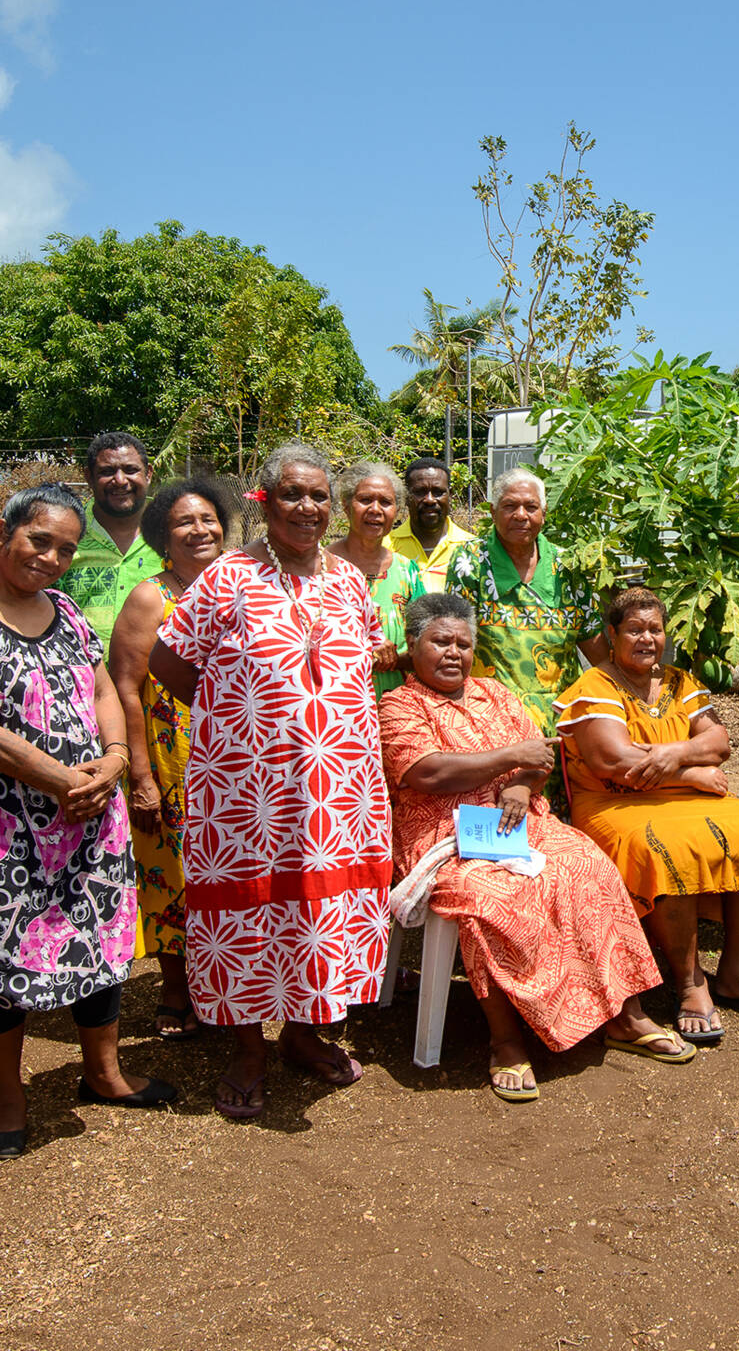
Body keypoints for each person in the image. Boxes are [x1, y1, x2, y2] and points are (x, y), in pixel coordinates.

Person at [0, 484, 174, 1158]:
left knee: (98, 940)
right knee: (2, 952)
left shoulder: (65, 611)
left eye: (64, 547)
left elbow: (103, 691)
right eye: (38, 540)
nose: (51, 558)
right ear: (3, 532)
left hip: (88, 812)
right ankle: (8, 1096)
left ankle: (104, 1072)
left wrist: (114, 759)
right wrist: (65, 781)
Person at [151, 445, 394, 1118]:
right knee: (249, 912)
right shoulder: (227, 577)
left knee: (319, 914)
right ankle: (248, 1049)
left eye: (319, 496)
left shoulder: (349, 581)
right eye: (293, 494)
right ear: (264, 500)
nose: (309, 508)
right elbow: (170, 664)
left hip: (336, 790)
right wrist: (244, 721)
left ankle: (305, 1033)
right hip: (244, 790)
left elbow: (360, 668)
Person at [377, 593, 691, 1098]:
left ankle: (624, 1016)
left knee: (589, 866)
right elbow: (426, 772)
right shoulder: (399, 704)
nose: (454, 652)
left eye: (464, 643)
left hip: (521, 824)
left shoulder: (495, 693)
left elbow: (540, 757)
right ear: (414, 645)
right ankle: (506, 1039)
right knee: (489, 896)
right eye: (440, 641)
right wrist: (509, 758)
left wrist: (522, 784)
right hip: (447, 835)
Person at [559, 588, 739, 1045]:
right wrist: (693, 775)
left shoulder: (680, 682)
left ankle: (735, 970)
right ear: (612, 635)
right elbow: (616, 764)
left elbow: (721, 742)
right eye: (634, 629)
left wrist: (674, 755)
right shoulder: (595, 686)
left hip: (676, 796)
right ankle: (690, 981)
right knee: (666, 848)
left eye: (655, 629)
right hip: (615, 804)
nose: (646, 638)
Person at [107, 478, 231, 1042]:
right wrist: (140, 776)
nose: (199, 530)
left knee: (232, 871)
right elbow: (125, 687)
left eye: (208, 519)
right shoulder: (150, 596)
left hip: (239, 757)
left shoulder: (242, 584)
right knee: (173, 872)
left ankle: (231, 985)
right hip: (171, 754)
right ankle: (176, 987)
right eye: (185, 523)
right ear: (162, 536)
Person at [450, 469, 602, 738]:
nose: (521, 515)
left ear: (543, 513)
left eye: (531, 507)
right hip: (491, 722)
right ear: (493, 511)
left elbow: (596, 650)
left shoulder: (567, 566)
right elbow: (453, 644)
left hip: (564, 724)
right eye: (510, 506)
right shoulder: (470, 563)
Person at [58, 431, 161, 645]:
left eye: (131, 470)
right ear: (89, 477)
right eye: (107, 471)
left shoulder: (173, 530)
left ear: (148, 473)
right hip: (81, 675)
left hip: (161, 677)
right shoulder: (65, 534)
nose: (120, 481)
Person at [336, 462, 427, 696]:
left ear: (396, 511)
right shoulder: (321, 567)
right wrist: (366, 651)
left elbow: (426, 640)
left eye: (385, 502)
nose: (375, 509)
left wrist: (394, 659)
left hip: (397, 704)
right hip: (338, 701)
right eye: (365, 500)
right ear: (346, 506)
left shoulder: (407, 571)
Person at [390, 455, 475, 591]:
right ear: (406, 497)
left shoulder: (471, 549)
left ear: (450, 496)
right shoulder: (386, 547)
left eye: (438, 492)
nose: (429, 500)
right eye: (419, 492)